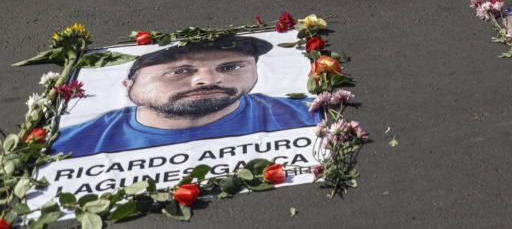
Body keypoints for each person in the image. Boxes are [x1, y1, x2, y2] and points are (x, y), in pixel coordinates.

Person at [52, 36, 318, 157]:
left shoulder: (310, 117)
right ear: (128, 85)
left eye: (231, 67)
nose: (208, 79)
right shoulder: (68, 146)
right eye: (180, 71)